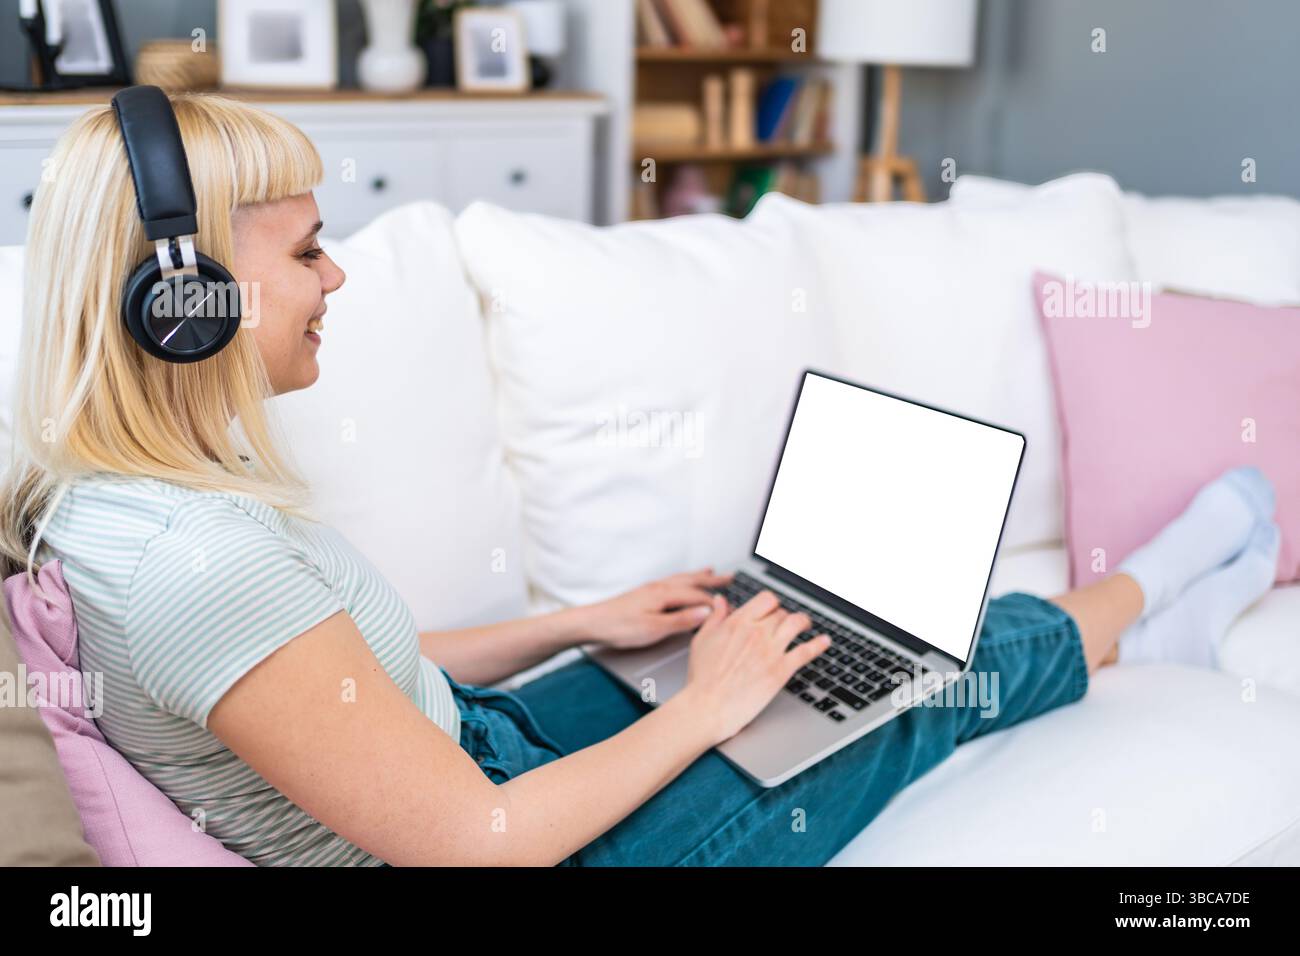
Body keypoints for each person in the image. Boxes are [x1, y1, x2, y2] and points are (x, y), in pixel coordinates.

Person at [0, 93, 1280, 866]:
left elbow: (325, 678)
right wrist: (702, 712)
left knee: (752, 617)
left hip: (475, 752)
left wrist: (576, 621)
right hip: (512, 836)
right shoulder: (193, 560)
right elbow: (478, 847)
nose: (336, 279)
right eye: (308, 251)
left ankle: (1092, 622)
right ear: (182, 300)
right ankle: (1153, 598)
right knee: (905, 674)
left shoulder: (134, 499)